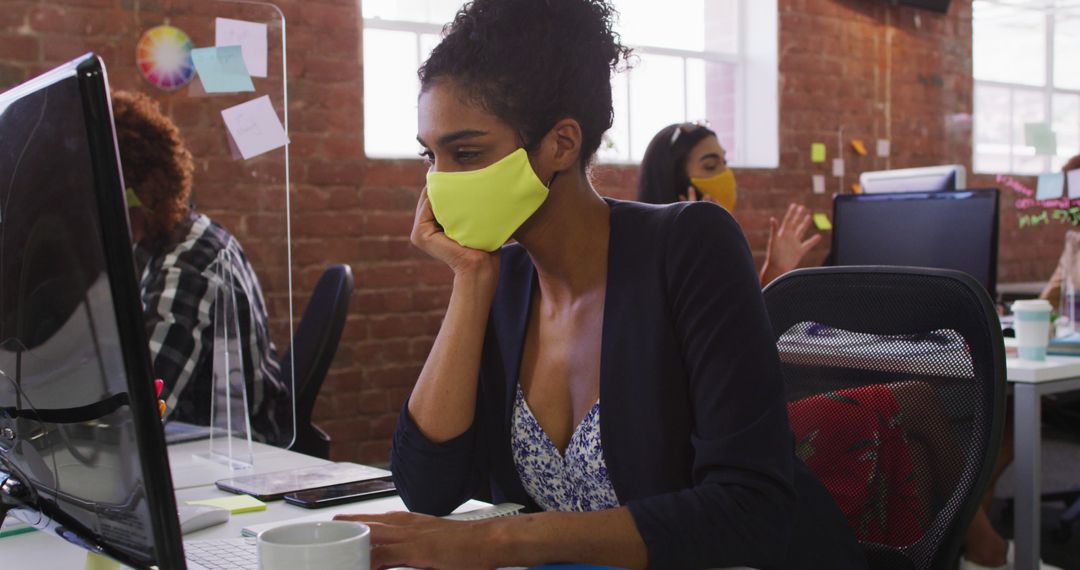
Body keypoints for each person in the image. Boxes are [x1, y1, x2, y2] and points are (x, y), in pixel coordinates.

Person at [333, 1, 865, 568]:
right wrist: (470, 279)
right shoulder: (505, 282)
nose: (439, 183)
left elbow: (748, 509)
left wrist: (500, 541)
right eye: (430, 156)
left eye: (466, 153)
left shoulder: (691, 246)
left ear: (561, 143)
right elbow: (427, 490)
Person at [110, 90, 290, 444]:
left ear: (141, 195)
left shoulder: (188, 263)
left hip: (232, 453)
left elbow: (143, 409)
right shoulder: (152, 244)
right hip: (189, 440)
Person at [637, 122, 822, 285]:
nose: (726, 175)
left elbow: (745, 319)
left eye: (725, 162)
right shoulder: (646, 261)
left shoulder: (720, 241)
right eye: (710, 166)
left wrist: (775, 271)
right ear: (677, 184)